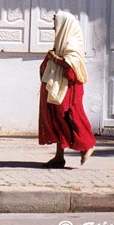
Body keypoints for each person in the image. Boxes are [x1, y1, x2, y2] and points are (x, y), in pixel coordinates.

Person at [38, 11, 95, 168]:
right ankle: (59, 157)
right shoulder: (62, 41)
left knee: (70, 117)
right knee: (56, 119)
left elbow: (72, 65)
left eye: (55, 24)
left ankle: (87, 145)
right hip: (59, 86)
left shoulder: (72, 42)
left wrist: (54, 58)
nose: (53, 28)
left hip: (69, 89)